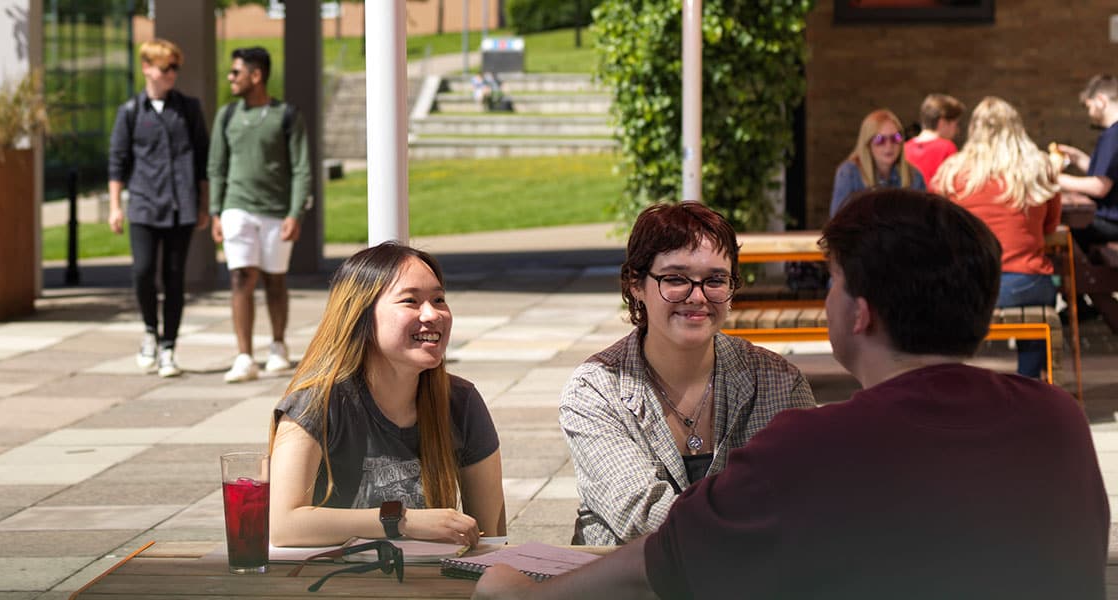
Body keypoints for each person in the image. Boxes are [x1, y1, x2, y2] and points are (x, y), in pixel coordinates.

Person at [473, 189, 1108, 600]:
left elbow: (678, 551)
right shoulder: (1059, 419)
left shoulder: (816, 443)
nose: (698, 296)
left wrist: (524, 595)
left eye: (829, 282)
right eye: (675, 280)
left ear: (858, 312)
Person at [561, 202, 815, 546]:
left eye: (715, 280)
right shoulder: (595, 389)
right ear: (636, 284)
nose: (697, 297)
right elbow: (642, 518)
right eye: (676, 279)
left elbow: (808, 502)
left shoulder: (779, 382)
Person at [267, 243, 506, 547]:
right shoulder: (316, 404)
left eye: (439, 299)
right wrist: (401, 521)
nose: (432, 314)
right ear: (360, 317)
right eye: (411, 301)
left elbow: (493, 539)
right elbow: (283, 524)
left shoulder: (461, 401)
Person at [933, 97, 1061, 379]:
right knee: (1044, 289)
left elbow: (935, 228)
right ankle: (1028, 383)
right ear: (1016, 126)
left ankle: (954, 384)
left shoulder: (952, 171)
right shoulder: (1039, 167)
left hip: (967, 284)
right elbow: (1051, 226)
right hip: (1024, 282)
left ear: (975, 129)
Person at [108, 39, 210, 378]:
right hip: (144, 204)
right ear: (147, 68)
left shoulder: (188, 108)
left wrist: (203, 204)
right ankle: (150, 330)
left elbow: (201, 159)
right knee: (143, 271)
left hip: (181, 205)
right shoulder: (130, 112)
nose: (171, 75)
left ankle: (169, 347)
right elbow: (118, 161)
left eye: (174, 68)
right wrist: (114, 206)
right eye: (165, 68)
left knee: (175, 277)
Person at [209, 47, 311, 383]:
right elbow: (217, 167)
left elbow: (301, 168)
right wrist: (216, 212)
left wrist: (295, 212)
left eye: (235, 72)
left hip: (276, 212)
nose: (230, 78)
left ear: (256, 75)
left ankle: (278, 346)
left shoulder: (286, 115)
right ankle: (244, 356)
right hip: (236, 207)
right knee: (240, 277)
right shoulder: (226, 116)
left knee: (274, 280)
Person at [1059, 75, 1118, 255]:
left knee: (1066, 225)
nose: (1089, 112)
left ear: (1100, 100)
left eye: (1088, 105)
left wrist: (1058, 179)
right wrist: (1078, 158)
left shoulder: (1113, 135)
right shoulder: (1113, 132)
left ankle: (1081, 282)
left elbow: (1100, 187)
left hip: (1113, 223)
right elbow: (1110, 173)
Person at [830, 109, 925, 216]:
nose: (889, 146)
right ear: (867, 143)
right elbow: (838, 220)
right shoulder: (849, 173)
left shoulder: (914, 176)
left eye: (895, 138)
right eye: (880, 140)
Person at [904, 93, 965, 182]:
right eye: (956, 124)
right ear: (942, 122)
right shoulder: (947, 148)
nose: (957, 130)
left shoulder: (905, 147)